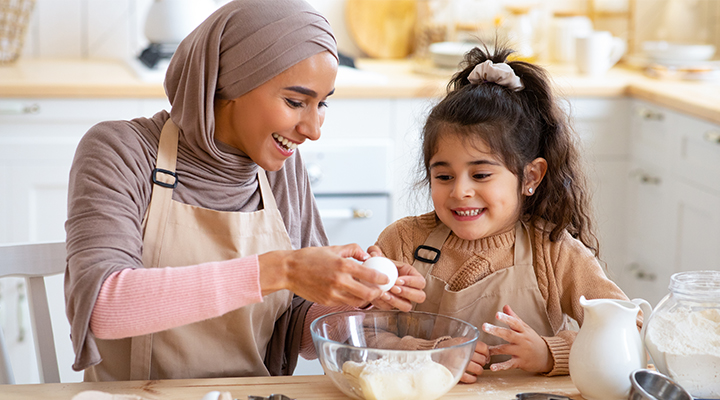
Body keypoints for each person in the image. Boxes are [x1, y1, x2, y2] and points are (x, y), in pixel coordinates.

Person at [64, 0, 424, 382]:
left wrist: (356, 301)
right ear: (231, 82)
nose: (313, 129)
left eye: (322, 104)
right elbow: (104, 307)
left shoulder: (279, 172)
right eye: (295, 101)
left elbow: (299, 335)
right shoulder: (121, 150)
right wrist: (282, 269)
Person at [368, 45, 638, 381]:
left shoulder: (553, 252)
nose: (460, 191)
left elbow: (630, 331)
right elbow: (365, 336)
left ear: (531, 177)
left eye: (480, 175)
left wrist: (549, 352)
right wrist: (429, 355)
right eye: (443, 176)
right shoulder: (403, 242)